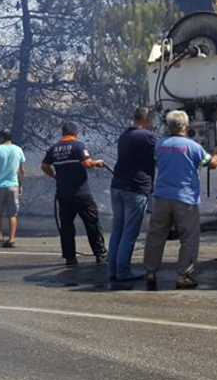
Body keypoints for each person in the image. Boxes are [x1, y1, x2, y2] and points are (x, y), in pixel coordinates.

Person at [143, 110, 217, 290]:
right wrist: (216, 152)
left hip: (162, 197)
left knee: (156, 235)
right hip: (185, 199)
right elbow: (212, 164)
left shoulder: (160, 145)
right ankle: (183, 275)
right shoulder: (192, 146)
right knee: (189, 237)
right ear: (186, 126)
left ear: (169, 126)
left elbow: (157, 161)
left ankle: (151, 272)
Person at [42, 122, 107, 266]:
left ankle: (70, 257)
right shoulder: (78, 146)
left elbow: (44, 166)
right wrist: (97, 162)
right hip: (81, 193)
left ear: (63, 133)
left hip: (63, 194)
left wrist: (54, 176)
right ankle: (100, 254)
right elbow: (87, 163)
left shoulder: (54, 149)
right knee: (92, 223)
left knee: (66, 226)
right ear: (75, 133)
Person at [108, 107, 157, 282]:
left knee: (118, 230)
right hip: (135, 188)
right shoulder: (147, 137)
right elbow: (160, 155)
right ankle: (123, 271)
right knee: (130, 232)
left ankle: (112, 269)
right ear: (148, 119)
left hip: (117, 186)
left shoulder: (124, 135)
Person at [0, 128, 25, 248]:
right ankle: (12, 238)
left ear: (2, 137)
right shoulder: (18, 150)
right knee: (12, 214)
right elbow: (21, 170)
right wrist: (20, 185)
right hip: (13, 185)